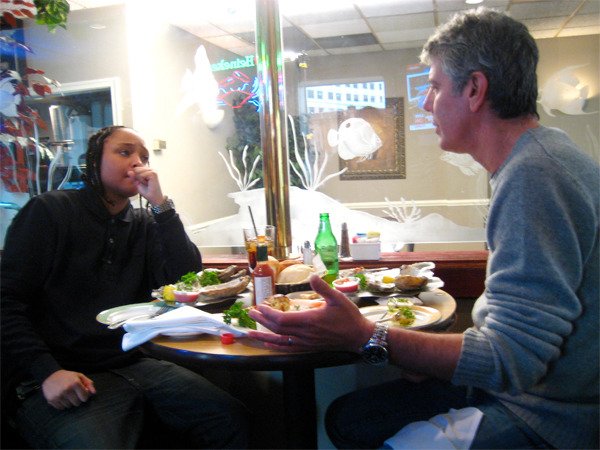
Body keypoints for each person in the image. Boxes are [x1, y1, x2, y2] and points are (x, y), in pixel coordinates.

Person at [248, 7, 599, 450]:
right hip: (519, 391)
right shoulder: (538, 160)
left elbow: (512, 360)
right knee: (349, 419)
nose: (425, 102)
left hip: (546, 417)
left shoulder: (535, 177)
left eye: (434, 86)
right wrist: (412, 353)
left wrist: (365, 336)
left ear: (474, 89)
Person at [1, 126, 249, 448]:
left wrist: (161, 205)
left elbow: (186, 276)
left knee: (229, 417)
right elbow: (6, 301)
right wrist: (47, 371)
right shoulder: (50, 211)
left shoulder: (143, 223)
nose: (137, 162)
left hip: (131, 362)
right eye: (124, 152)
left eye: (144, 157)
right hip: (54, 374)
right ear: (94, 160)